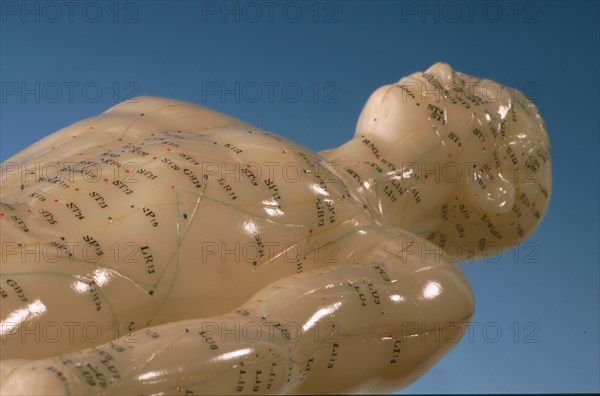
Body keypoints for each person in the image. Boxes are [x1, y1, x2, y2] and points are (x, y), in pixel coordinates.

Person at [0, 63, 551, 394]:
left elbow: (272, 348)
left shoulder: (414, 275)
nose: (445, 69)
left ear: (491, 185)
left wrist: (64, 385)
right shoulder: (167, 111)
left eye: (480, 103)